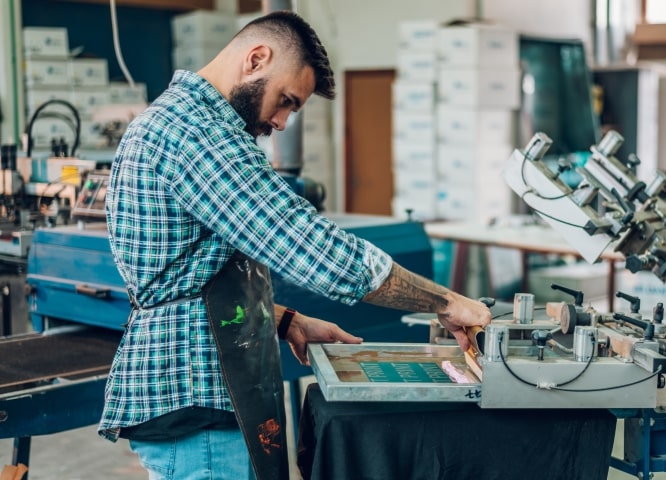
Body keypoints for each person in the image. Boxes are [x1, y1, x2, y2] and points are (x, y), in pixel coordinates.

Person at [98, 10, 491, 480]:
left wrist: (283, 318)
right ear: (256, 58)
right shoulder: (195, 133)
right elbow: (313, 250)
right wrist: (445, 302)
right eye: (285, 100)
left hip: (199, 393)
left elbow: (194, 272)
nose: (283, 122)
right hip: (195, 398)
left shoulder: (190, 123)